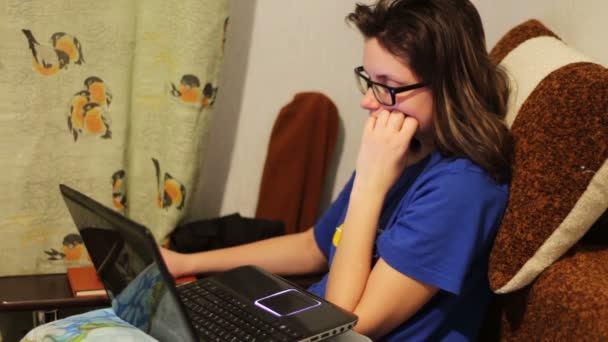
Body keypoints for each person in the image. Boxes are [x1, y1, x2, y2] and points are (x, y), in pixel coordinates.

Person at [162, 0, 513, 340]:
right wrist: (186, 263)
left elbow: (348, 324)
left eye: (388, 86)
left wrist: (371, 183)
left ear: (448, 86)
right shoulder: (406, 151)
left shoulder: (461, 190)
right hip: (304, 321)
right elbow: (312, 247)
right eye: (369, 80)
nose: (368, 101)